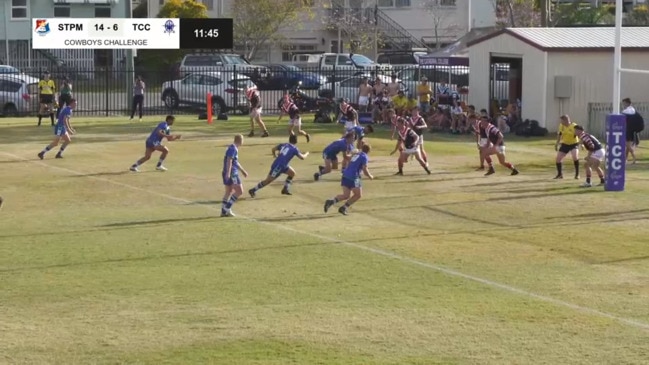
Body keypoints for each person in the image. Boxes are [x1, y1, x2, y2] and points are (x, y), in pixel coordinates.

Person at [323, 144, 374, 216]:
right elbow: (365, 169)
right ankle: (344, 207)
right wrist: (370, 176)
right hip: (354, 177)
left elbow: (348, 159)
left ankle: (331, 201)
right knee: (358, 195)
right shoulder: (364, 157)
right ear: (369, 151)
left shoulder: (357, 154)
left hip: (345, 175)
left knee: (346, 195)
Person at [221, 134, 249, 217]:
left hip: (228, 172)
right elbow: (229, 161)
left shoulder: (233, 148)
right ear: (240, 141)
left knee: (228, 191)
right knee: (239, 191)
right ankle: (227, 208)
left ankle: (223, 212)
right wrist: (228, 173)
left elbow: (235, 162)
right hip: (232, 173)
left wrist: (243, 171)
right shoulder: (233, 149)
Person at [554, 115, 580, 179]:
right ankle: (560, 174)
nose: (561, 122)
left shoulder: (574, 126)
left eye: (562, 120)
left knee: (575, 156)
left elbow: (579, 134)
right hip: (565, 144)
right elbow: (560, 134)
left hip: (574, 144)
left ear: (566, 120)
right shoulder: (561, 126)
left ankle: (577, 174)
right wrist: (557, 143)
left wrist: (581, 143)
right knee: (558, 159)